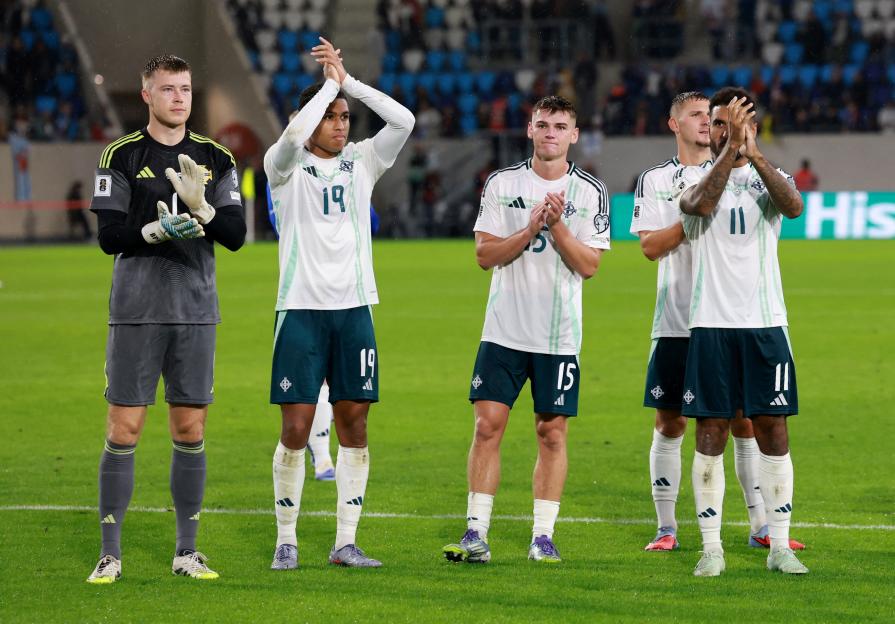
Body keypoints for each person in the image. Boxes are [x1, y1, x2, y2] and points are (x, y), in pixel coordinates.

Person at [86, 54, 246, 584]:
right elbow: (109, 236)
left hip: (195, 311)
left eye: (185, 88)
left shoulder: (215, 156)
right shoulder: (122, 154)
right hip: (136, 311)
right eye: (168, 89)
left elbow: (236, 235)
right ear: (147, 94)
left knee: (190, 426)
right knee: (125, 428)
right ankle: (110, 553)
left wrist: (201, 210)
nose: (179, 97)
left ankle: (186, 551)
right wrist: (154, 233)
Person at [632, 92, 805, 554]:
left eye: (714, 119)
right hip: (679, 316)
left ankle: (762, 524)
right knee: (672, 421)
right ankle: (667, 526)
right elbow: (650, 248)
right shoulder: (659, 180)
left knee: (747, 422)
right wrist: (692, 224)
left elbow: (790, 205)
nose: (707, 126)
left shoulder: (745, 173)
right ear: (675, 124)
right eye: (698, 116)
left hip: (736, 317)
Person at [265, 37, 414, 570]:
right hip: (301, 311)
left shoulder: (363, 162)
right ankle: (287, 538)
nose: (342, 123)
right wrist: (327, 86)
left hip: (355, 312)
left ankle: (345, 541)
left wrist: (348, 83)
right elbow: (289, 137)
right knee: (296, 429)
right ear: (308, 121)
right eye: (331, 117)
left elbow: (404, 122)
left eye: (345, 116)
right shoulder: (282, 168)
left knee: (355, 424)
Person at [443, 95, 609, 564]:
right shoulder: (502, 183)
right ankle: (476, 532)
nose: (550, 132)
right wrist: (530, 227)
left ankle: (542, 535)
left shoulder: (590, 192)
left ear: (574, 135)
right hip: (503, 331)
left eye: (560, 126)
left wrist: (555, 228)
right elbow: (484, 255)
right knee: (487, 425)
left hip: (558, 336)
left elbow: (590, 266)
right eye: (543, 125)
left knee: (551, 432)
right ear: (530, 130)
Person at [678, 87, 808, 576]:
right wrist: (732, 153)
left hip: (766, 324)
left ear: (754, 126)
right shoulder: (693, 180)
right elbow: (698, 207)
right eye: (717, 123)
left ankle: (779, 546)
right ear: (708, 129)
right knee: (710, 430)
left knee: (773, 429)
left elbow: (793, 207)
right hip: (711, 325)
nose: (723, 130)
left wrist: (752, 154)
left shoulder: (770, 178)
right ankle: (711, 548)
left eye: (734, 122)